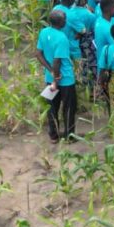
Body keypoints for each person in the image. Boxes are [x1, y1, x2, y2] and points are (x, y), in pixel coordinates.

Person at [36, 10, 77, 142]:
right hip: (65, 79)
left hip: (50, 78)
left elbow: (38, 54)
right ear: (60, 22)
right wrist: (56, 78)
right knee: (69, 108)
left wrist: (51, 72)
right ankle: (69, 136)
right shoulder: (61, 38)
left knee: (52, 107)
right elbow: (57, 61)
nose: (66, 21)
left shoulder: (44, 32)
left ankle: (53, 135)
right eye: (64, 19)